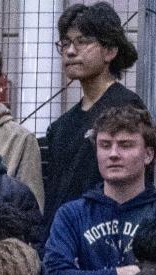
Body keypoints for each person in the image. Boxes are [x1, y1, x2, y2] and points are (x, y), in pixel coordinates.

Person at [45, 105, 156, 275]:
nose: (113, 154)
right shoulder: (72, 214)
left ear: (148, 154)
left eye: (125, 145)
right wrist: (124, 274)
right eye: (105, 145)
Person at [43, 2, 146, 217]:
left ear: (110, 51)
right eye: (65, 43)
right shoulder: (61, 127)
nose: (70, 51)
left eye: (83, 41)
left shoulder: (128, 107)